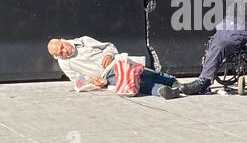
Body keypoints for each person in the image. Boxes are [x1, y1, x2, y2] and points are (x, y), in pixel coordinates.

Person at [47, 36, 181, 99]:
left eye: (62, 47)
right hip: (107, 77)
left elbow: (108, 46)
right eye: (60, 53)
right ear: (57, 56)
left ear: (62, 40)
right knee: (132, 83)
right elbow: (78, 81)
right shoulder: (64, 63)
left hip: (115, 62)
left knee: (143, 73)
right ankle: (161, 91)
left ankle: (172, 82)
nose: (65, 51)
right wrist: (92, 81)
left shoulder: (83, 41)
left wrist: (108, 55)